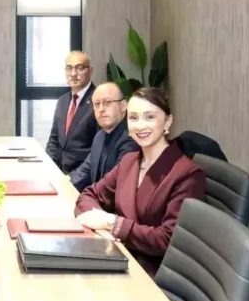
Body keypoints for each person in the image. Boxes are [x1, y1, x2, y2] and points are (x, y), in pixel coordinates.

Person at [74, 87, 206, 277]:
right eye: (133, 118)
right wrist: (101, 225)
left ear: (167, 121)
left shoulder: (188, 174)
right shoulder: (129, 162)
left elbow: (169, 240)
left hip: (153, 273)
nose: (140, 125)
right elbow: (89, 194)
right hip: (117, 255)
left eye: (149, 117)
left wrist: (113, 224)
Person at [69, 82, 138, 192]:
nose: (101, 109)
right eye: (97, 104)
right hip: (95, 198)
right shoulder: (99, 136)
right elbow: (84, 171)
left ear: (123, 106)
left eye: (107, 102)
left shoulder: (131, 139)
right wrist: (64, 185)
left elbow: (114, 185)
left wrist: (88, 196)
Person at [46, 51, 99, 174]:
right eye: (69, 68)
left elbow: (97, 151)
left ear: (90, 71)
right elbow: (54, 140)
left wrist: (72, 178)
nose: (73, 74)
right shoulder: (62, 101)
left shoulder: (98, 100)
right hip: (58, 173)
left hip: (83, 177)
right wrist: (50, 168)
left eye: (79, 68)